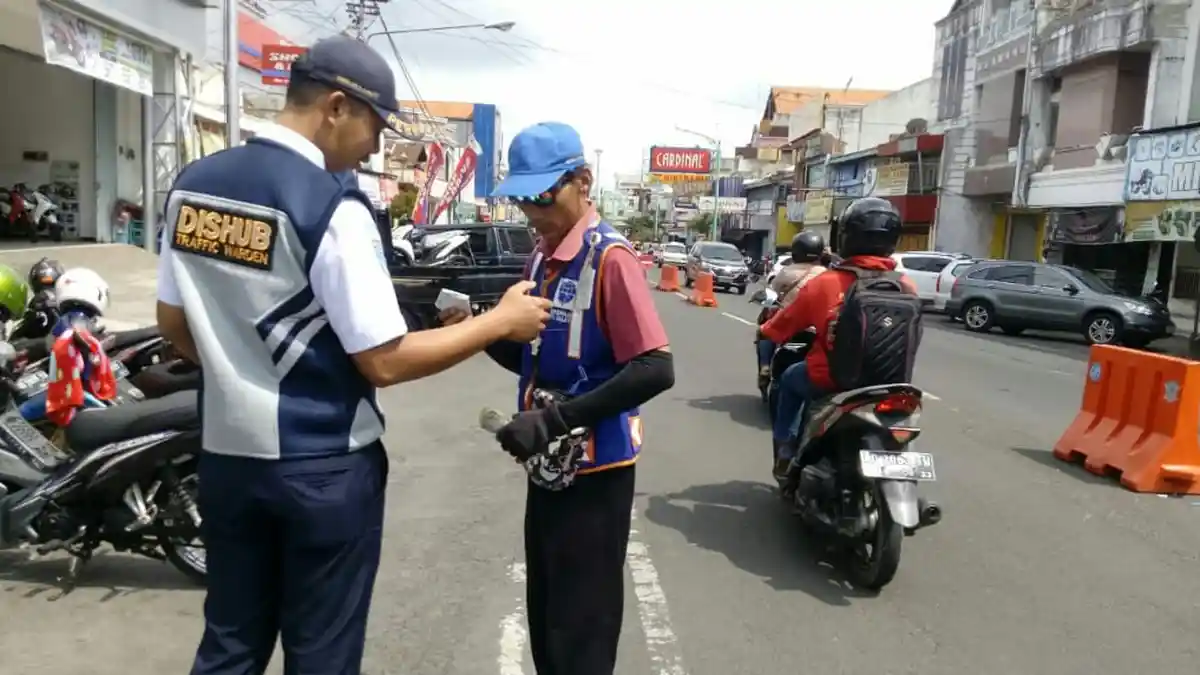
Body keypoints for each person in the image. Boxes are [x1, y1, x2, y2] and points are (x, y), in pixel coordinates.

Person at [155, 35, 550, 675]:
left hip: (227, 461)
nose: (376, 146)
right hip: (322, 469)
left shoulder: (195, 186)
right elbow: (384, 359)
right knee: (322, 654)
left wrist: (242, 367)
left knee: (229, 644)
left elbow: (174, 325)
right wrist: (497, 323)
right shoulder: (331, 206)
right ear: (337, 107)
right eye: (375, 126)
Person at [474, 121, 675, 675]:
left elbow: (656, 368)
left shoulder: (610, 260)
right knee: (547, 613)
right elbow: (536, 361)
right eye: (521, 200)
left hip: (596, 471)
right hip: (548, 466)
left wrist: (556, 420)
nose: (532, 213)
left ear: (582, 181)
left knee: (581, 625)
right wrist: (478, 331)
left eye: (543, 197)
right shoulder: (542, 260)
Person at [760, 198, 914, 479]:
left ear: (846, 236)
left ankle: (785, 452)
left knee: (789, 381)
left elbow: (780, 326)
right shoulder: (906, 285)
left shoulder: (827, 283)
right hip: (893, 384)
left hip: (831, 379)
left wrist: (765, 331)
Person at [755, 231, 827, 376]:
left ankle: (765, 366)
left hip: (789, 323)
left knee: (763, 332)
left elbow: (771, 292)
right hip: (817, 327)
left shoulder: (787, 272)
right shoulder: (826, 273)